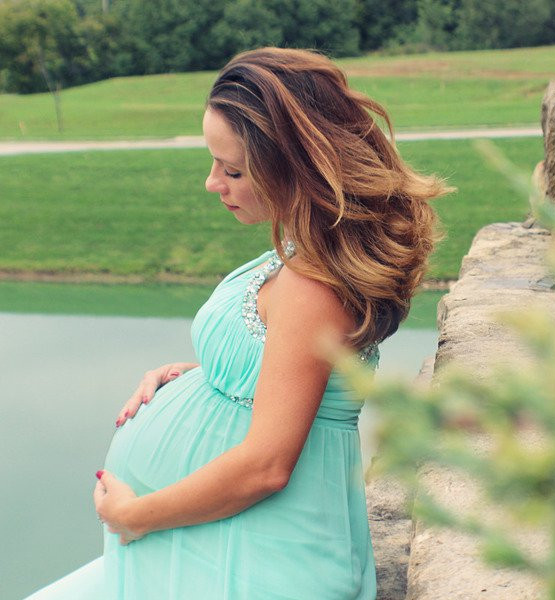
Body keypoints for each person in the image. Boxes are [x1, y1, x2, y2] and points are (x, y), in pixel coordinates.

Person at [31, 47, 449, 600]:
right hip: (220, 544)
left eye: (232, 170)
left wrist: (134, 516)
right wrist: (206, 376)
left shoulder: (313, 287)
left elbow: (266, 467)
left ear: (293, 169)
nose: (213, 183)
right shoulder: (298, 253)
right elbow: (292, 371)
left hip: (254, 563)